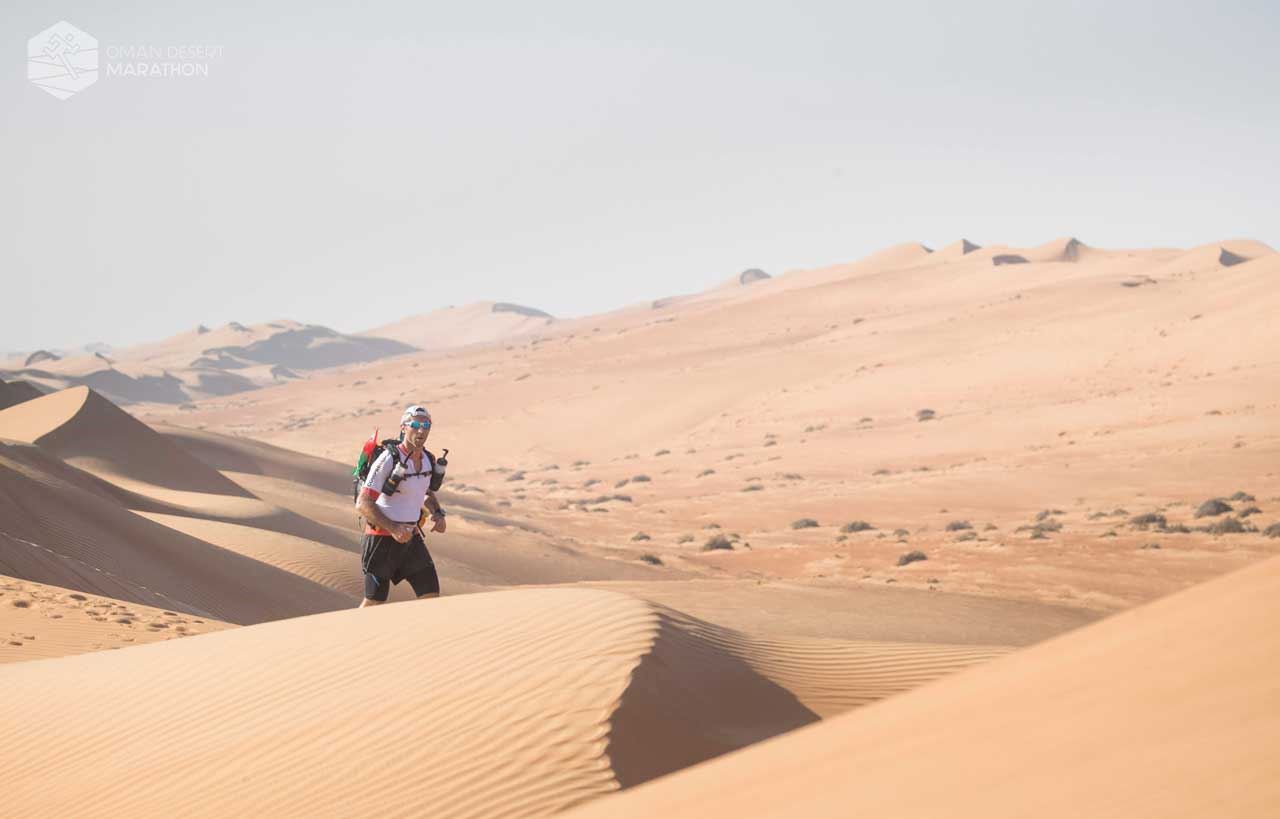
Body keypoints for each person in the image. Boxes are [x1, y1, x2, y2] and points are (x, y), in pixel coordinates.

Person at [355, 405, 446, 607]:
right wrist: (394, 528)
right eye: (415, 424)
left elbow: (424, 492)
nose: (421, 430)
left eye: (426, 425)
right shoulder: (389, 458)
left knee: (430, 595)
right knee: (374, 602)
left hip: (411, 540)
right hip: (381, 541)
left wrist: (438, 513)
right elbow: (363, 502)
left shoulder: (428, 460)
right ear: (404, 428)